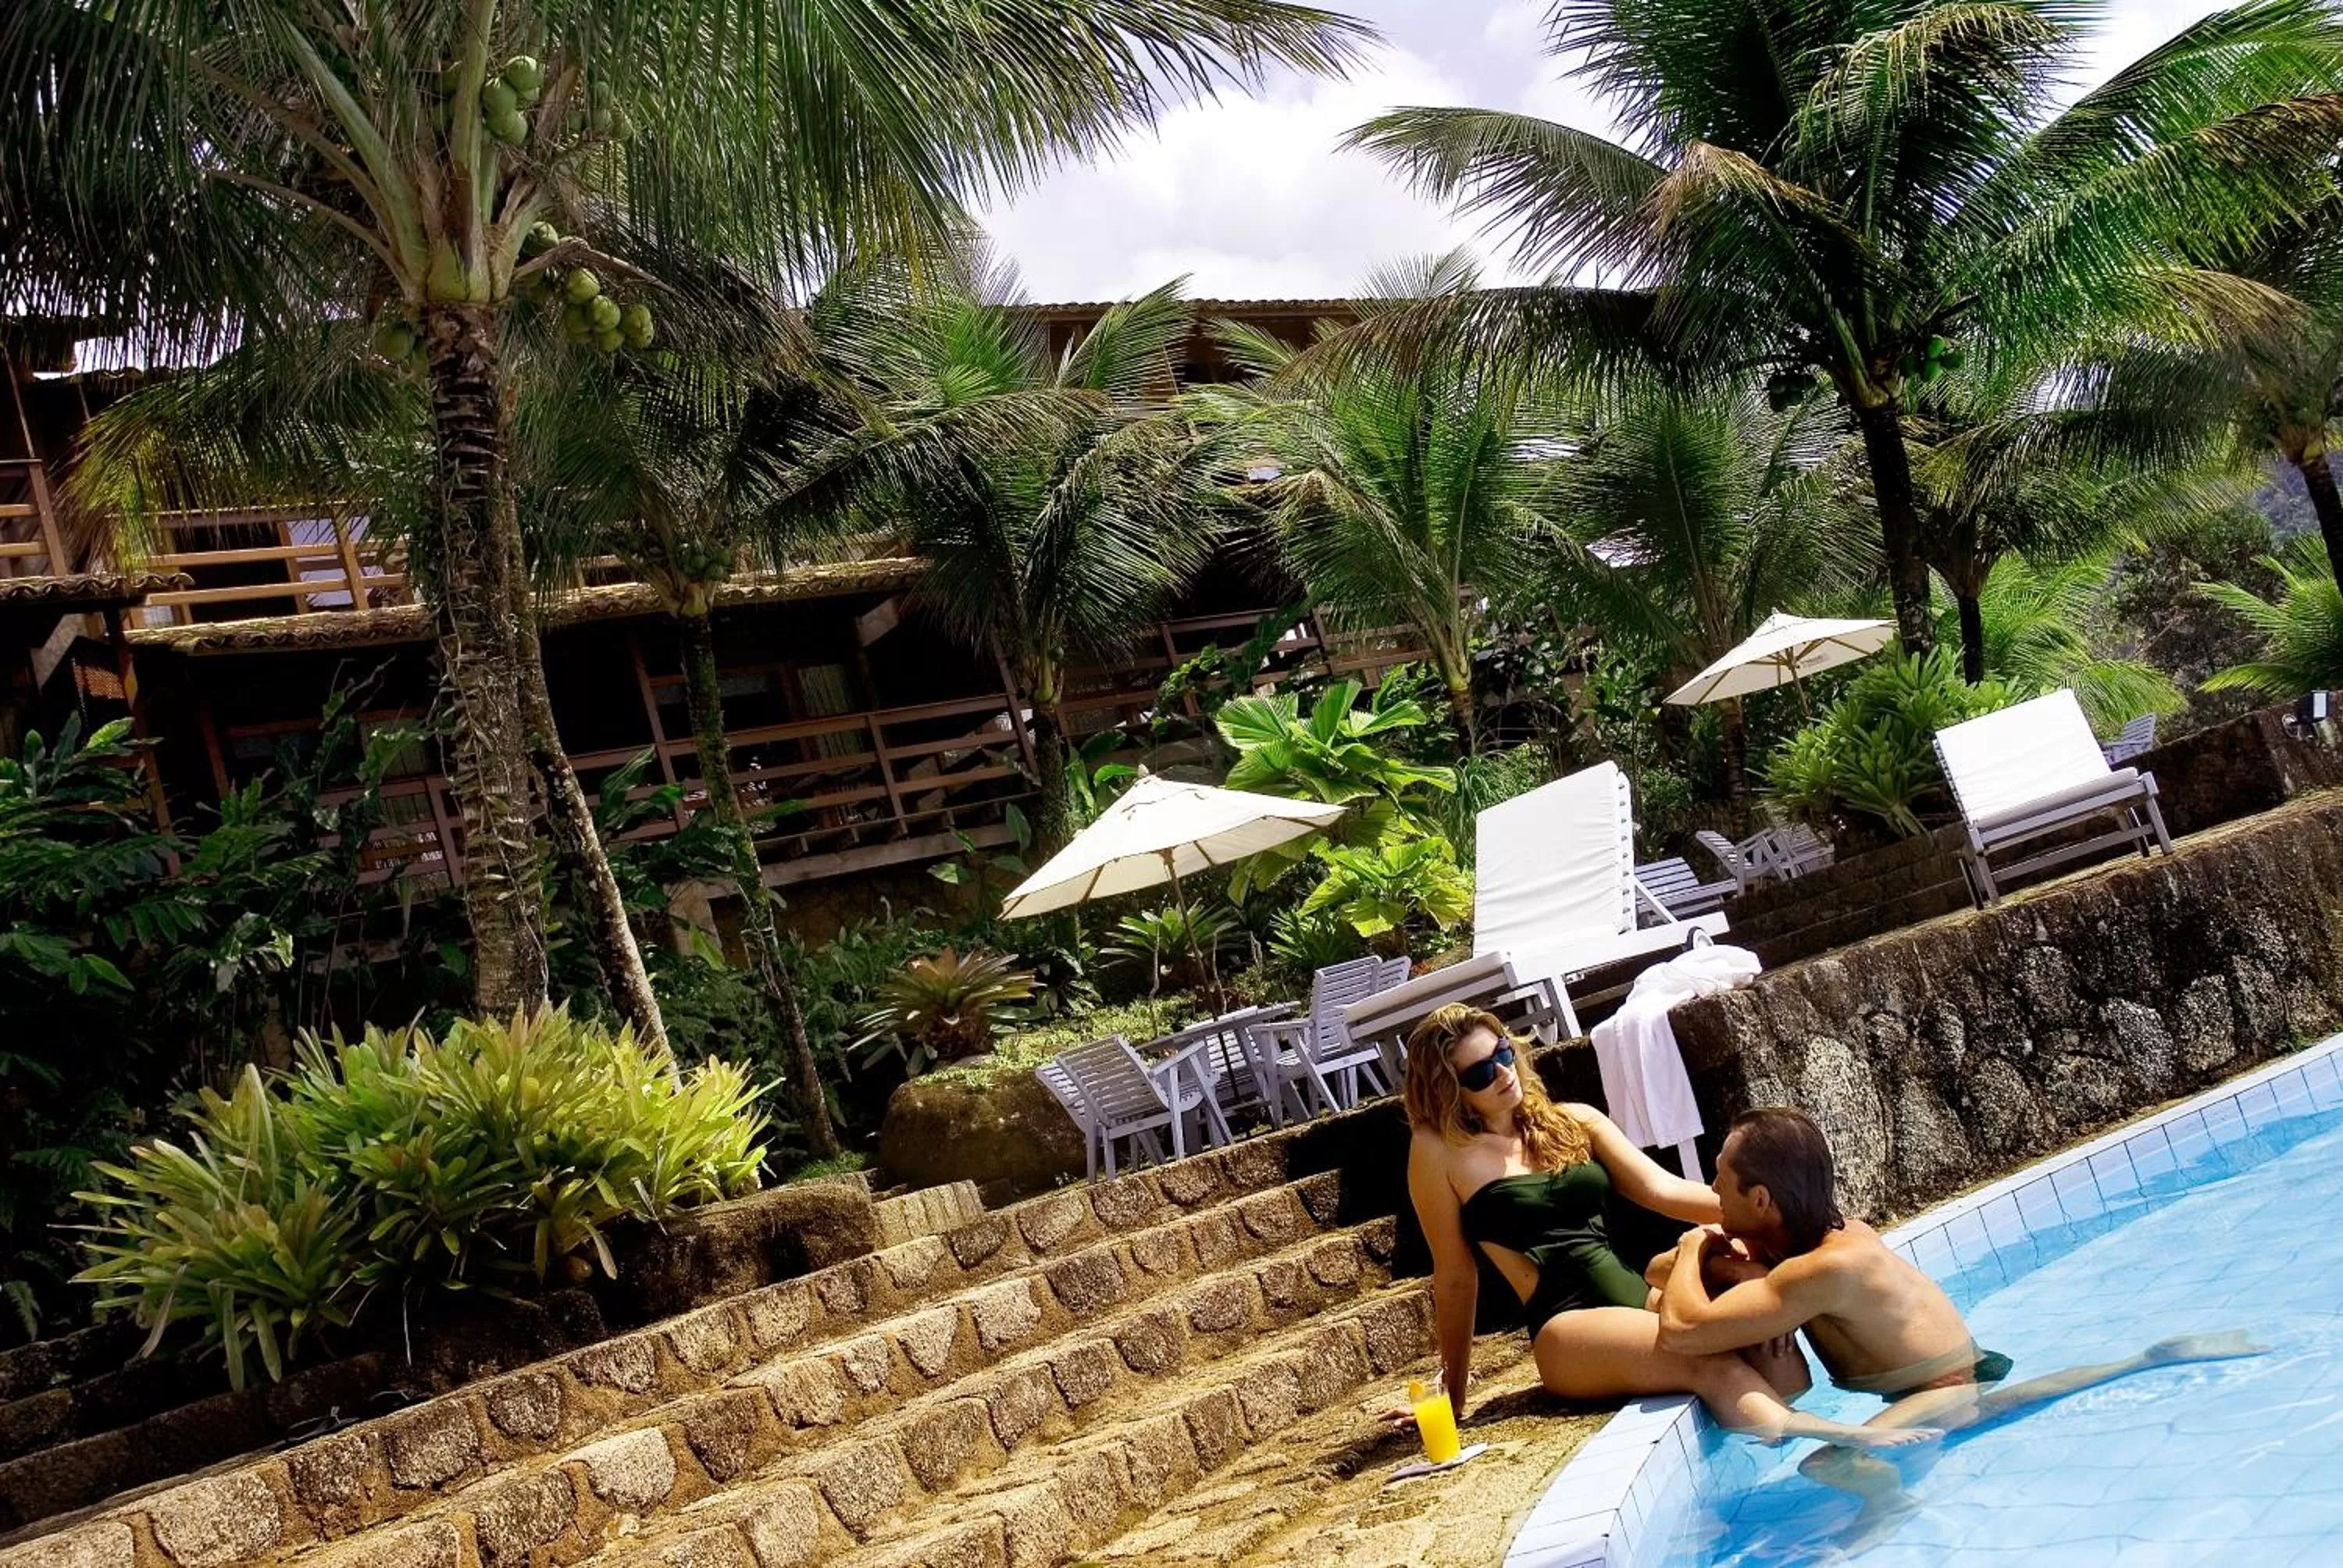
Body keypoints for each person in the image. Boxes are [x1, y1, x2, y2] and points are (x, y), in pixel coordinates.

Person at [1653, 1106, 2259, 1541]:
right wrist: (1725, 1268)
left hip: (1935, 1389)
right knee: (1998, 1405)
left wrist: (1691, 1249)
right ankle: (2150, 1358)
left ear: (1761, 1201)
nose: (1712, 1193)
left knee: (1828, 1462)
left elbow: (1680, 1331)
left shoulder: (1817, 1268)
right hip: (1958, 1371)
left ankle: (1891, 1507)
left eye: (1721, 1182)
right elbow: (1667, 1283)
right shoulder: (1828, 1236)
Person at [1396, 1005, 1934, 1452]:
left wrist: (1787, 1220)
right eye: (1480, 1073)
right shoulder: (1439, 1151)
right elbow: (1455, 1276)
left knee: (1766, 1324)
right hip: (1568, 1325)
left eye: (1504, 1054)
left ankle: (1833, 1430)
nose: (1502, 1073)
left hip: (1635, 1296)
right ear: (1450, 1090)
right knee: (1707, 1361)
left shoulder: (1573, 1120)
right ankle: (1833, 1439)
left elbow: (1666, 1192)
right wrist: (1454, 1394)